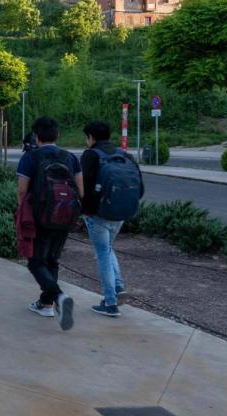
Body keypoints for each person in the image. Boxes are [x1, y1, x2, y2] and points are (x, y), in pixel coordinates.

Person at [16, 117, 83, 331]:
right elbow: (81, 191)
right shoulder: (70, 157)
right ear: (57, 135)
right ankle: (46, 304)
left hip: (40, 217)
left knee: (35, 262)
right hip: (65, 215)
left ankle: (58, 297)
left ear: (36, 136)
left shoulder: (30, 157)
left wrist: (23, 211)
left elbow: (22, 191)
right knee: (52, 260)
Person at [81, 121, 143, 318]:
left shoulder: (91, 155)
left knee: (102, 254)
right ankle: (118, 287)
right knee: (107, 249)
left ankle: (110, 303)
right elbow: (140, 189)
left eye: (86, 138)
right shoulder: (124, 155)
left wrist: (84, 210)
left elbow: (83, 187)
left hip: (97, 214)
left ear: (91, 137)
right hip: (121, 213)